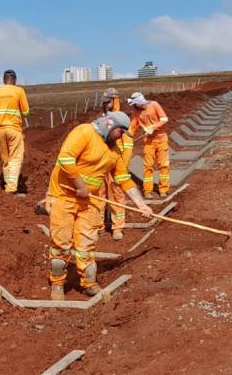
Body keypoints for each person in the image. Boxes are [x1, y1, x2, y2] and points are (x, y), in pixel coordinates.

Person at [46, 112, 152, 300]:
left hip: (90, 201)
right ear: (110, 125)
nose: (121, 137)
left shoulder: (114, 151)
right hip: (64, 196)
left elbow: (123, 178)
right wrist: (80, 186)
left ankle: (89, 283)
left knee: (87, 244)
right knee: (61, 244)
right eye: (120, 132)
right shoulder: (84, 132)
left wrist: (141, 204)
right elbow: (66, 159)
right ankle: (57, 283)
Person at [100, 88, 133, 240]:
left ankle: (117, 227)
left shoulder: (121, 120)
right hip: (102, 164)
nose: (105, 104)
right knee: (99, 196)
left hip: (116, 165)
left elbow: (128, 146)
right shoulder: (102, 119)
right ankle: (98, 226)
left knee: (116, 196)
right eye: (104, 102)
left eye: (108, 101)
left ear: (115, 100)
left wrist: (123, 167)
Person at [0, 69, 30, 196]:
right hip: (13, 129)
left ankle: (8, 185)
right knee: (16, 158)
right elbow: (26, 112)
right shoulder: (19, 91)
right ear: (15, 80)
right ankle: (11, 189)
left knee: (6, 159)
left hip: (0, 130)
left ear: (3, 80)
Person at [127, 91, 170, 199]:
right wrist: (126, 138)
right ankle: (147, 191)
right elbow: (132, 127)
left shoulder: (154, 104)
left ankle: (163, 190)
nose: (135, 106)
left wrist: (153, 127)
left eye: (135, 104)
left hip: (161, 139)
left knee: (163, 165)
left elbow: (164, 119)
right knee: (148, 166)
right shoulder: (136, 112)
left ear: (140, 101)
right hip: (149, 141)